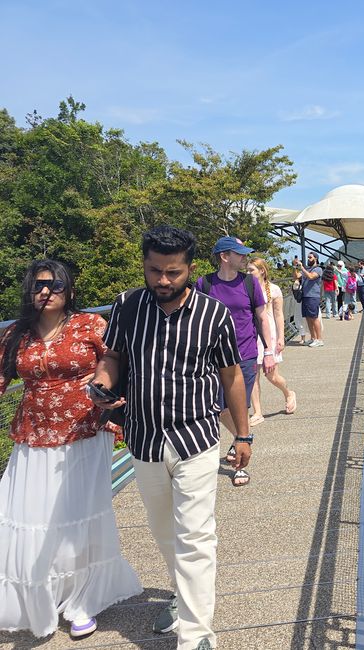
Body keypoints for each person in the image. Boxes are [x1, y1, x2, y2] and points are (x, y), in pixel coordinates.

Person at [92, 226, 249, 649]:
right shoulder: (126, 305)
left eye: (173, 272)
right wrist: (102, 383)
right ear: (144, 265)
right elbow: (112, 355)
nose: (163, 280)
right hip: (143, 437)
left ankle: (197, 635)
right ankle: (182, 594)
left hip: (196, 436)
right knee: (164, 531)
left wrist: (243, 435)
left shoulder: (213, 314)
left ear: (190, 269)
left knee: (195, 535)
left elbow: (231, 375)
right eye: (154, 270)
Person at [0, 260, 142, 640]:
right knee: (31, 518)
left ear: (70, 290)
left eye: (55, 285)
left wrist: (111, 393)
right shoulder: (16, 334)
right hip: (33, 437)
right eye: (38, 285)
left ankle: (83, 601)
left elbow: (118, 362)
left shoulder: (90, 325)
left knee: (77, 517)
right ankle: (42, 596)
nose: (46, 292)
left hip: (85, 433)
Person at [197, 236, 271, 488]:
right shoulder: (205, 284)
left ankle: (240, 465)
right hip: (214, 356)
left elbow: (262, 317)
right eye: (239, 254)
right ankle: (242, 437)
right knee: (218, 407)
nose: (244, 258)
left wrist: (269, 351)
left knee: (240, 408)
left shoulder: (250, 283)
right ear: (224, 256)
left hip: (245, 353)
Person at [247, 258, 297, 422]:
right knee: (253, 375)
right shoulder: (245, 288)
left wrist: (281, 337)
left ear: (262, 271)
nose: (248, 273)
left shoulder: (274, 289)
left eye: (251, 270)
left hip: (269, 335)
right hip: (251, 334)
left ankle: (288, 393)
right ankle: (258, 412)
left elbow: (278, 314)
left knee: (272, 376)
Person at [295, 255, 326, 346]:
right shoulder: (307, 269)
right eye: (308, 257)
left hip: (313, 296)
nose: (308, 259)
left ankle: (319, 339)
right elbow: (296, 276)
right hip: (305, 296)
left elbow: (311, 277)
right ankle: (313, 338)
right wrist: (295, 267)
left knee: (314, 317)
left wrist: (302, 268)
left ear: (315, 258)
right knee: (308, 318)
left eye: (310, 257)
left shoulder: (318, 269)